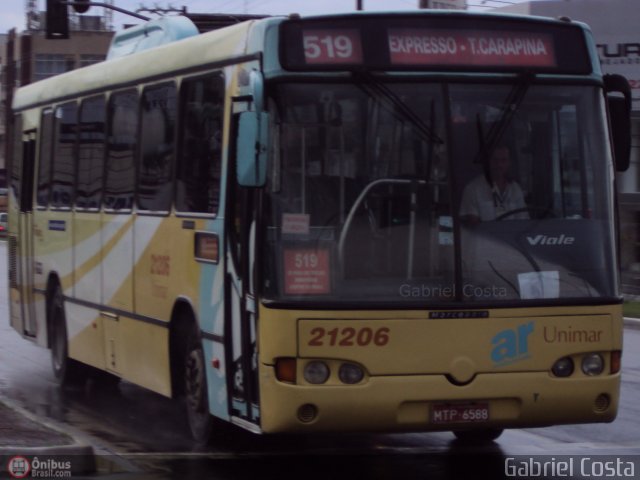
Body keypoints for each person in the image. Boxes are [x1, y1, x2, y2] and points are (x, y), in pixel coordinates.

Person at [459, 144, 528, 224]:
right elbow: (473, 227)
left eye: (503, 160)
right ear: (488, 162)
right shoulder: (473, 189)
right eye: (495, 160)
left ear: (509, 163)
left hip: (514, 236)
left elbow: (523, 221)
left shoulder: (515, 188)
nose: (499, 165)